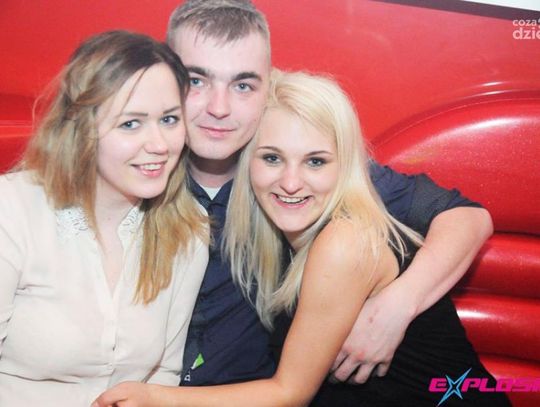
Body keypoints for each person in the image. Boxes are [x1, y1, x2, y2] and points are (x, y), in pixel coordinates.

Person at [93, 70, 510, 406]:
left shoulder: (344, 242)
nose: (291, 182)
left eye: (315, 162)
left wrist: (154, 398)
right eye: (272, 158)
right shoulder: (273, 235)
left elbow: (290, 393)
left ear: (346, 167)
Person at [166, 0, 493, 387]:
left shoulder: (299, 163)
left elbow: (468, 218)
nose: (219, 108)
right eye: (196, 81)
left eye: (242, 86)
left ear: (265, 87)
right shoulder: (140, 172)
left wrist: (396, 306)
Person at [0, 30, 208, 406]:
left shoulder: (188, 227)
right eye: (131, 124)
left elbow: (164, 375)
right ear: (81, 128)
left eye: (169, 119)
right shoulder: (12, 209)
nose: (159, 144)